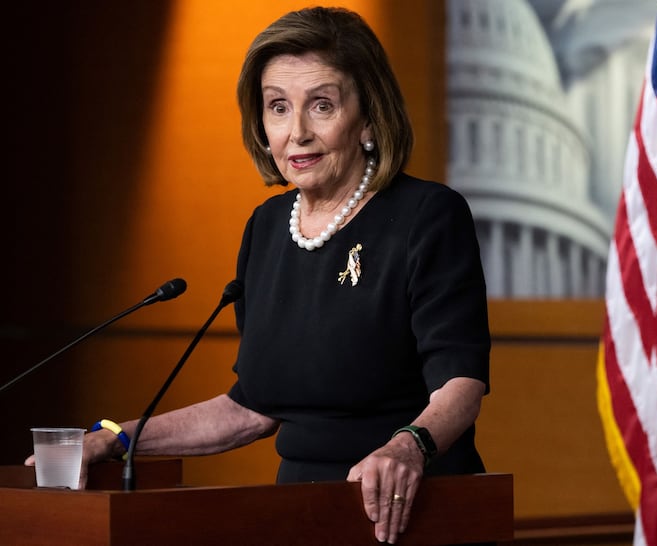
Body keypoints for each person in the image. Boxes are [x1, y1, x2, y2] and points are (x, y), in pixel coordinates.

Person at [27, 6, 491, 545]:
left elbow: (462, 381)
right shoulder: (268, 228)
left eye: (322, 105)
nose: (297, 132)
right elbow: (251, 406)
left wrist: (406, 447)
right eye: (277, 107)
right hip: (300, 513)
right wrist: (115, 438)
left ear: (368, 118)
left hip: (410, 509)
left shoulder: (427, 216)